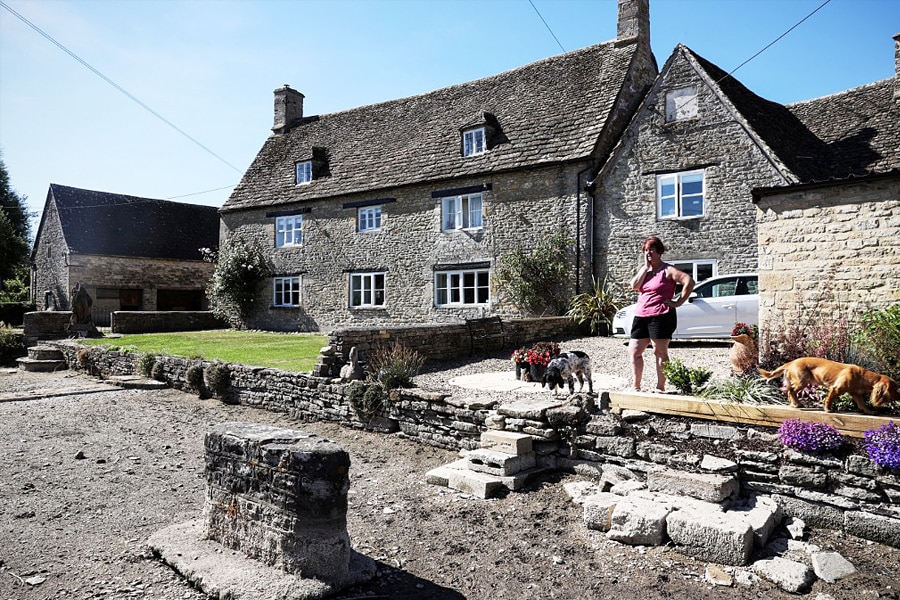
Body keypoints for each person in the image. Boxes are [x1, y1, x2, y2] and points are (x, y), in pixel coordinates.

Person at [628, 236, 695, 392]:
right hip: (641, 316)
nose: (648, 252)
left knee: (659, 352)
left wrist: (678, 302)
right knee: (634, 351)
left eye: (651, 249)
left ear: (659, 251)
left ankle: (660, 387)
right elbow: (634, 286)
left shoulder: (668, 270)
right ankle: (636, 386)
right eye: (645, 250)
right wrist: (645, 267)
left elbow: (689, 281)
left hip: (661, 316)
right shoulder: (645, 271)